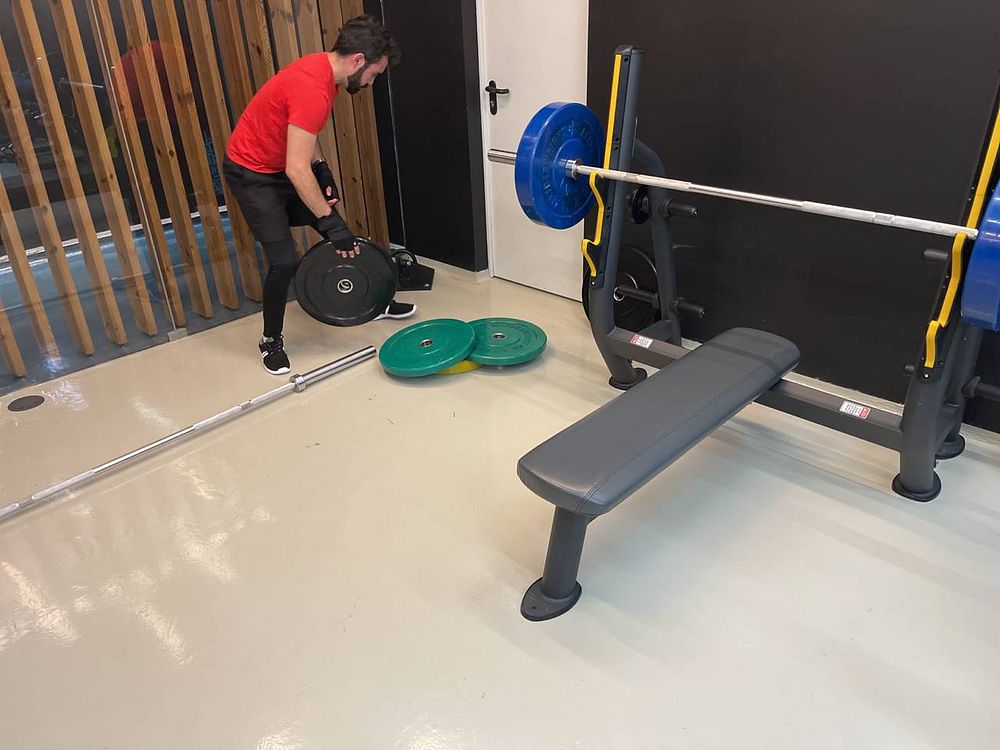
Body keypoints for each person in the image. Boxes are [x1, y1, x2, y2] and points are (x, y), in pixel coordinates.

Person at [224, 15, 411, 375]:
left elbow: (304, 133)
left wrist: (322, 167)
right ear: (358, 60)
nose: (371, 82)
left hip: (280, 163)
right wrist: (329, 220)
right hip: (252, 174)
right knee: (285, 261)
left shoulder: (324, 72)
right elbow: (297, 170)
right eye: (374, 74)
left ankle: (372, 301)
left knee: (340, 232)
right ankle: (270, 340)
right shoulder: (313, 87)